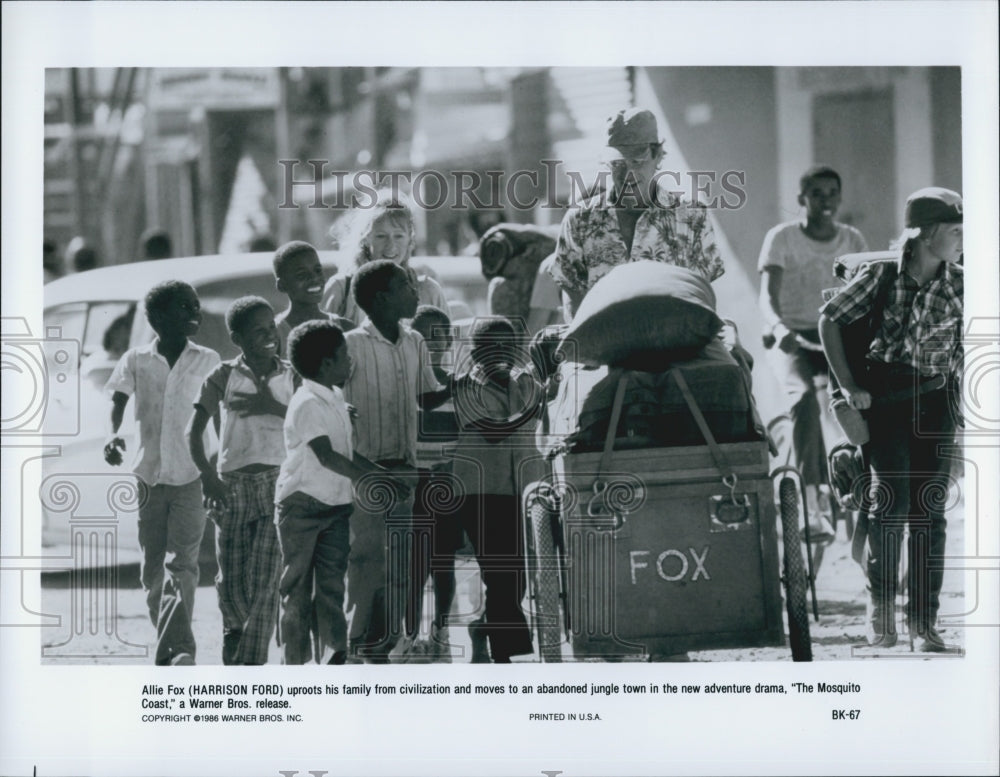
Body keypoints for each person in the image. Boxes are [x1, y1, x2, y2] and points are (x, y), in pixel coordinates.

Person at [819, 187, 963, 652]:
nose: (962, 241)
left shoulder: (964, 282)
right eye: (955, 231)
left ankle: (924, 624)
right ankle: (881, 615)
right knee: (891, 504)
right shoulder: (881, 275)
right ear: (926, 235)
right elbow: (830, 320)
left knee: (930, 512)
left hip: (937, 401)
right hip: (885, 400)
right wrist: (847, 385)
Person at [273, 319, 410, 665]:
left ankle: (335, 653)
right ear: (325, 363)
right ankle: (295, 662)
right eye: (343, 355)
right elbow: (326, 455)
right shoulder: (306, 403)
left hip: (335, 506)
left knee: (332, 585)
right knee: (298, 588)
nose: (350, 362)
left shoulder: (335, 397)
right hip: (302, 505)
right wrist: (368, 479)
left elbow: (346, 454)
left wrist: (379, 475)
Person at [104, 281, 221, 665]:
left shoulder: (208, 360)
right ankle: (172, 645)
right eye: (184, 306)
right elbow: (118, 400)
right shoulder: (136, 359)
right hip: (149, 478)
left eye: (197, 304)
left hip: (192, 475)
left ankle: (179, 649)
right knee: (153, 568)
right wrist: (114, 436)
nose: (195, 312)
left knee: (183, 563)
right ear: (157, 318)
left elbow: (222, 414)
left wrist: (220, 468)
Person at [340, 260, 449, 662]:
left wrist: (459, 385)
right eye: (405, 285)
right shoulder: (351, 345)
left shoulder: (415, 343)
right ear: (383, 298)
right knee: (366, 561)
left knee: (402, 563)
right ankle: (356, 643)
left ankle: (390, 644)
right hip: (365, 470)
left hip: (405, 470)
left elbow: (426, 397)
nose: (415, 290)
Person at [758, 165, 869, 541]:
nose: (825, 201)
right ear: (800, 199)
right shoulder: (782, 238)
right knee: (803, 399)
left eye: (832, 193)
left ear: (840, 198)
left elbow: (865, 294)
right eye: (816, 193)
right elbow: (767, 297)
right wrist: (778, 328)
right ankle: (810, 499)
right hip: (794, 338)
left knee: (867, 396)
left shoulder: (852, 239)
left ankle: (867, 478)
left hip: (835, 335)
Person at [186, 296, 295, 665]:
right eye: (258, 331)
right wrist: (207, 478)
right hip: (230, 486)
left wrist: (272, 407)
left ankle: (249, 664)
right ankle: (236, 634)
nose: (270, 336)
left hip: (277, 484)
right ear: (237, 338)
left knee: (267, 579)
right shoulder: (222, 376)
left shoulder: (291, 374)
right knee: (231, 582)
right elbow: (194, 430)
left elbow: (307, 413)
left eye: (272, 329)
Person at [549, 107, 724, 318]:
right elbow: (572, 302)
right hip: (601, 343)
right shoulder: (579, 220)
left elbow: (701, 297)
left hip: (675, 345)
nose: (628, 173)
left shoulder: (692, 216)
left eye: (637, 161)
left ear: (657, 156)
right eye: (618, 164)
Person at [450, 317, 539, 663]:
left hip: (522, 489)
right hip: (483, 492)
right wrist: (530, 395)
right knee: (502, 577)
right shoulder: (465, 387)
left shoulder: (526, 382)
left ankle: (484, 628)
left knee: (517, 580)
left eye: (509, 346)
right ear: (473, 354)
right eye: (491, 348)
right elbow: (495, 431)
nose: (501, 354)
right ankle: (512, 659)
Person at [398, 305, 463, 662]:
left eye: (442, 337)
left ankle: (440, 632)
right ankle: (408, 636)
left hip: (446, 486)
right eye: (425, 338)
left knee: (443, 562)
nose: (434, 345)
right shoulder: (405, 383)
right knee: (414, 565)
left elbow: (464, 439)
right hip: (413, 486)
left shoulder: (456, 386)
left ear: (451, 340)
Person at [321, 189, 448, 325]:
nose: (391, 246)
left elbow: (448, 344)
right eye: (381, 236)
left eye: (398, 236)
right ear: (365, 239)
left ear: (410, 240)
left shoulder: (428, 291)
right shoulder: (341, 289)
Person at [272, 240, 350, 357]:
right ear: (282, 285)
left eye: (318, 270)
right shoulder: (275, 334)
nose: (314, 278)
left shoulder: (345, 327)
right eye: (302, 275)